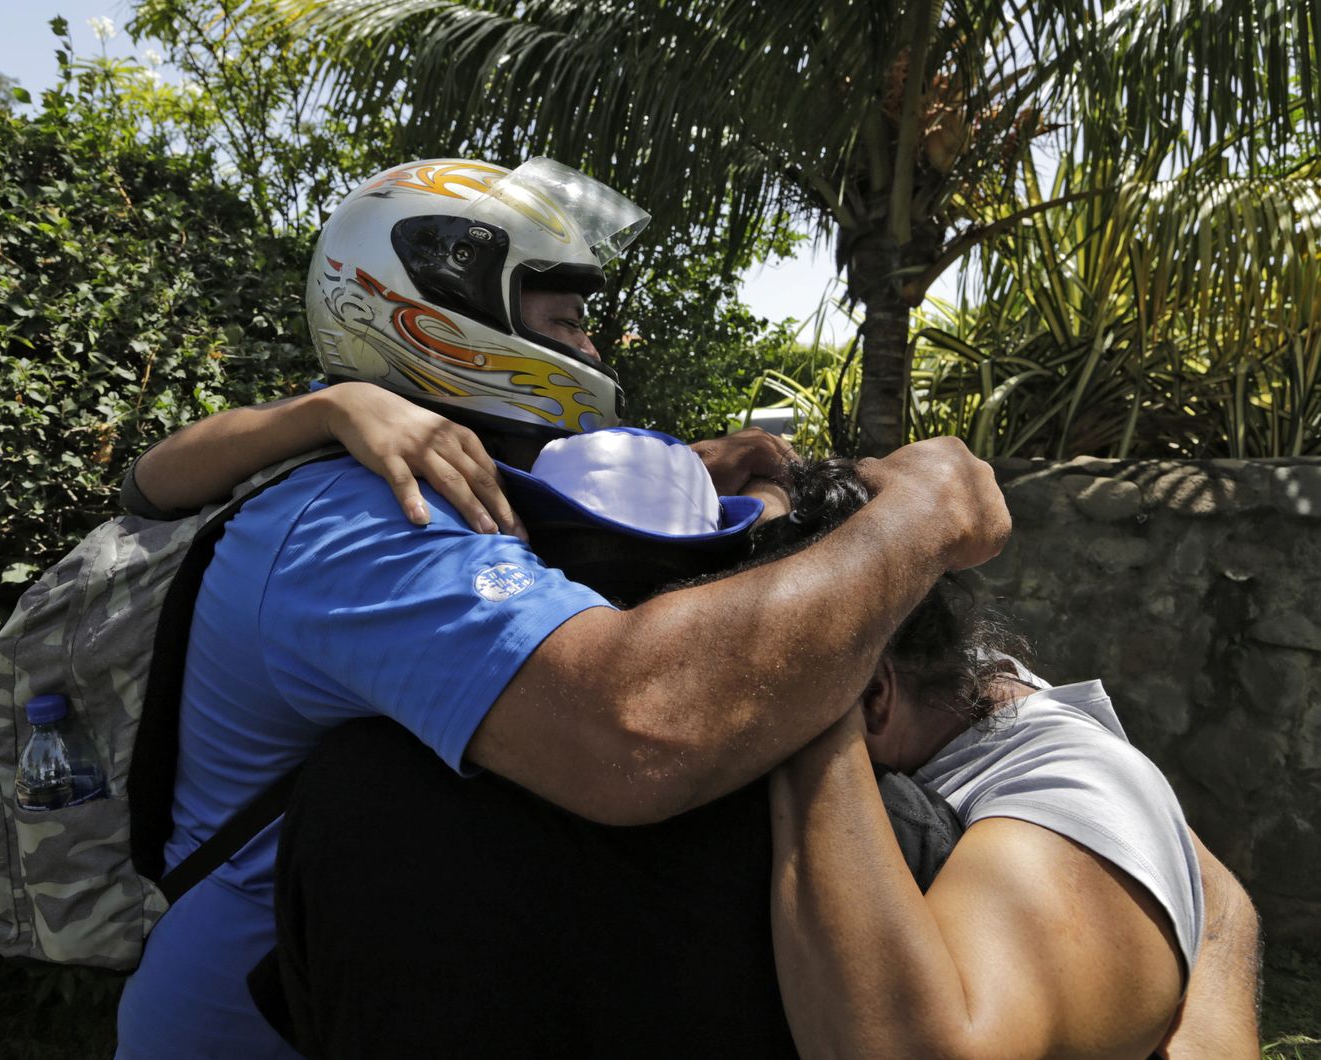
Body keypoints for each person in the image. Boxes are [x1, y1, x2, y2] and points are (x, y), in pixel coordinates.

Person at [112, 155, 1012, 1058]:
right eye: (567, 320)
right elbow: (636, 724)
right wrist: (919, 517)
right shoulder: (367, 520)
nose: (590, 351)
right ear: (439, 309)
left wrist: (688, 476)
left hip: (367, 989)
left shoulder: (410, 459)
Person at [262, 452, 1260, 1059]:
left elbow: (919, 1049)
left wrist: (791, 696)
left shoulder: (1066, 784)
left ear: (868, 691)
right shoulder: (960, 718)